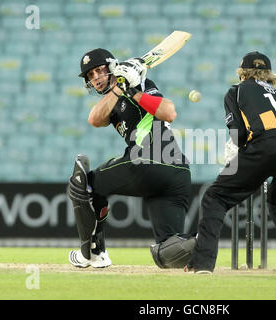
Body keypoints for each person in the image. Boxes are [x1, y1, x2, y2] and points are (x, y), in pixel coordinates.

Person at [185, 51, 276, 274]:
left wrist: (237, 153)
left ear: (242, 72)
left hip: (267, 146)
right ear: (269, 74)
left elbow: (238, 135)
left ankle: (202, 263)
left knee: (214, 196)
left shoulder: (236, 91)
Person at [68, 48, 196, 269]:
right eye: (90, 75)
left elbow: (169, 113)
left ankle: (93, 253)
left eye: (99, 70)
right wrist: (119, 88)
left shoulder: (139, 84)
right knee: (167, 253)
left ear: (111, 67)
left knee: (84, 183)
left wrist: (133, 90)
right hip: (176, 172)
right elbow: (94, 119)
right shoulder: (115, 95)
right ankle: (205, 239)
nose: (96, 78)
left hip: (150, 159)